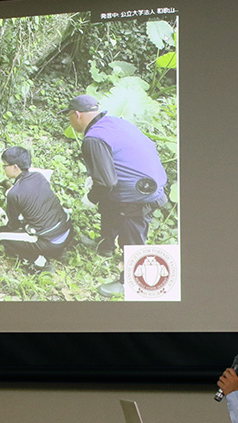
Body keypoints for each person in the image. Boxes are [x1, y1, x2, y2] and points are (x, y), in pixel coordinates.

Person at [62, 94, 169, 298]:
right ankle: (106, 245)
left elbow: (106, 182)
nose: (69, 120)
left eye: (69, 116)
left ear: (77, 115)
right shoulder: (114, 122)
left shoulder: (93, 138)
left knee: (133, 237)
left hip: (139, 195)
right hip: (150, 181)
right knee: (107, 203)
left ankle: (130, 283)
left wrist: (90, 197)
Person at [0, 146, 73, 272]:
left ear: (15, 167)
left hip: (50, 242)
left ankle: (40, 262)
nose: (3, 169)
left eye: (5, 166)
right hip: (67, 230)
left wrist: (1, 219)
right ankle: (58, 251)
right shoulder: (39, 176)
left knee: (0, 237)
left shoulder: (14, 194)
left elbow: (13, 225)